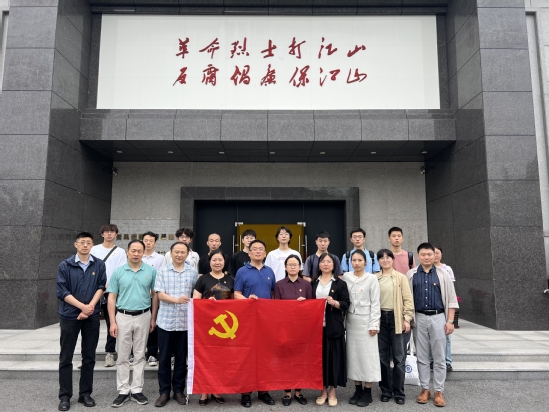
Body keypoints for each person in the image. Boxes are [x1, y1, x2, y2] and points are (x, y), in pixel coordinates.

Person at [56, 232, 107, 411]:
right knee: (66, 357)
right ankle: (65, 396)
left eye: (88, 242)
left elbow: (101, 286)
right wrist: (82, 307)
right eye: (82, 242)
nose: (85, 245)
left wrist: (90, 307)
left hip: (91, 316)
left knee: (89, 356)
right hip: (69, 316)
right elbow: (62, 291)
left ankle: (85, 393)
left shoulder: (99, 264)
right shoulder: (65, 264)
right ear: (75, 244)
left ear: (92, 245)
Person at [107, 240, 158, 407]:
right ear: (127, 251)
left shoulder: (150, 271)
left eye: (139, 251)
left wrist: (153, 318)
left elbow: (155, 295)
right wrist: (112, 322)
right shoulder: (118, 272)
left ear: (144, 252)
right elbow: (112, 297)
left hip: (144, 315)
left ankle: (136, 389)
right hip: (123, 316)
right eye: (133, 250)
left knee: (139, 354)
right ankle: (123, 390)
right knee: (122, 355)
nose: (136, 254)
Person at [406, 243, 458, 408]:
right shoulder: (411, 274)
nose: (427, 257)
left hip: (438, 317)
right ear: (418, 256)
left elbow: (451, 299)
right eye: (423, 254)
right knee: (421, 356)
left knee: (439, 356)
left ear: (434, 255)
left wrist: (450, 321)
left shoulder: (443, 274)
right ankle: (425, 389)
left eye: (429, 254)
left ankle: (439, 391)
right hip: (419, 318)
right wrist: (407, 319)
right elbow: (407, 299)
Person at [153, 242, 198, 407]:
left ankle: (179, 390)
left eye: (182, 252)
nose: (179, 255)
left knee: (181, 359)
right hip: (166, 322)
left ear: (187, 254)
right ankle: (164, 392)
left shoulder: (192, 272)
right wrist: (177, 300)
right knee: (164, 359)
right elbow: (160, 294)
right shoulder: (163, 271)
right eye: (176, 252)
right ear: (171, 253)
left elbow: (197, 294)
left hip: (185, 323)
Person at [234, 239, 277, 408]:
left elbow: (273, 294)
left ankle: (263, 391)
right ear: (249, 253)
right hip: (247, 321)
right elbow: (236, 293)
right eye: (255, 249)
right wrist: (247, 300)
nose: (258, 251)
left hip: (266, 320)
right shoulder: (242, 271)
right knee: (248, 355)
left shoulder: (270, 271)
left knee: (265, 355)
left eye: (261, 249)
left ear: (265, 253)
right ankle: (246, 392)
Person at [193, 249, 235, 405]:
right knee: (206, 358)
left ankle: (217, 389)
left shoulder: (231, 279)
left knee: (221, 359)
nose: (217, 263)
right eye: (214, 260)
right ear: (209, 262)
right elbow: (195, 301)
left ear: (224, 262)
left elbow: (234, 303)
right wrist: (206, 303)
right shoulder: (203, 279)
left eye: (220, 260)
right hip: (207, 326)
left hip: (225, 328)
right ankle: (204, 392)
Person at [342, 250, 381, 407]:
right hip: (351, 322)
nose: (357, 263)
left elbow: (375, 302)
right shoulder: (346, 277)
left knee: (368, 357)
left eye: (360, 260)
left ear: (366, 262)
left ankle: (368, 391)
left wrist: (374, 324)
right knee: (354, 356)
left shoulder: (371, 278)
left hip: (366, 322)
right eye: (354, 260)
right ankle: (357, 389)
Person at [375, 249, 414, 405]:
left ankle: (399, 392)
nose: (385, 260)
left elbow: (408, 300)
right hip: (380, 320)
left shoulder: (401, 277)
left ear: (392, 259)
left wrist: (407, 319)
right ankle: (385, 390)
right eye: (382, 258)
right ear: (378, 261)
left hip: (397, 319)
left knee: (399, 358)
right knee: (382, 357)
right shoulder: (374, 278)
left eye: (388, 257)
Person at [312, 253, 350, 407]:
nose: (326, 264)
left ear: (334, 265)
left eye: (329, 262)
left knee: (334, 360)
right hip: (316, 328)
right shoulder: (313, 283)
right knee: (320, 361)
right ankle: (322, 391)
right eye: (323, 261)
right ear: (319, 265)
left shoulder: (340, 283)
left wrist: (335, 302)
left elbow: (346, 303)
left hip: (334, 326)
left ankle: (333, 391)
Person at [274, 254, 312, 406]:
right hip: (285, 327)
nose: (292, 267)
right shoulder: (279, 284)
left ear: (300, 267)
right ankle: (287, 392)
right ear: (285, 267)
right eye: (289, 264)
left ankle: (298, 391)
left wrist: (304, 303)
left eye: (295, 264)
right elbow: (276, 307)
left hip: (302, 327)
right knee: (286, 359)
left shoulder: (306, 284)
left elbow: (311, 306)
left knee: (300, 359)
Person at [90, 224, 127, 368]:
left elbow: (120, 271)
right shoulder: (94, 249)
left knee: (112, 322)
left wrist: (110, 286)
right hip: (94, 291)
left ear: (116, 234)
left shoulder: (120, 252)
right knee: (90, 324)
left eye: (112, 232)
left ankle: (110, 353)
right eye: (106, 231)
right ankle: (87, 354)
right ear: (102, 234)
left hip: (111, 291)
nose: (109, 234)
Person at [141, 231, 165, 367]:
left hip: (154, 296)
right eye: (146, 240)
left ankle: (152, 353)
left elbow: (161, 275)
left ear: (155, 243)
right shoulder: (137, 256)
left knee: (152, 323)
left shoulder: (160, 258)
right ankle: (135, 354)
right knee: (138, 325)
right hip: (138, 296)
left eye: (151, 241)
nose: (148, 243)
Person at [433, 245, 455, 373]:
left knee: (446, 335)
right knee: (431, 337)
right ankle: (432, 360)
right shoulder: (424, 269)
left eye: (437, 253)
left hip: (444, 306)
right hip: (432, 307)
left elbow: (451, 289)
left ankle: (447, 361)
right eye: (433, 253)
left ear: (441, 254)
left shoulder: (447, 269)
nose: (435, 255)